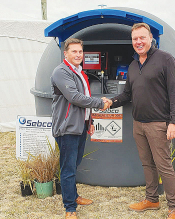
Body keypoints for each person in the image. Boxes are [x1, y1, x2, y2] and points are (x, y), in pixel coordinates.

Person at [103, 23, 175, 219]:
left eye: (142, 38)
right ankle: (152, 200)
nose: (138, 42)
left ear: (150, 39)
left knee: (163, 165)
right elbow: (127, 94)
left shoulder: (166, 60)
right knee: (147, 164)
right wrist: (111, 101)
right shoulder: (132, 65)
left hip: (159, 124)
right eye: (135, 39)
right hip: (138, 123)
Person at [51, 38, 109, 219]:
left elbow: (85, 99)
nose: (78, 55)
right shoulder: (61, 72)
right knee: (68, 168)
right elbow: (75, 97)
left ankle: (74, 196)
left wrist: (89, 121)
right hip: (67, 127)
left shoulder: (79, 72)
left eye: (80, 52)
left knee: (73, 165)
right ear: (65, 53)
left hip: (80, 126)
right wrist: (101, 103)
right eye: (74, 51)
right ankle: (69, 208)